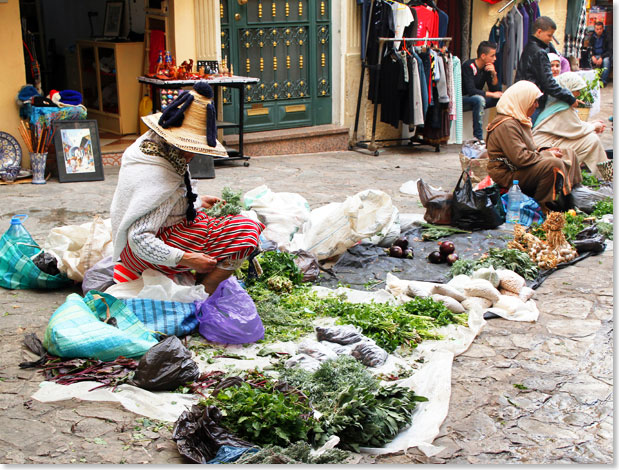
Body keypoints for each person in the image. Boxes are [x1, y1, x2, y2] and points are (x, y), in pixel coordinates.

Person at [110, 81, 265, 294]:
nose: (193, 155)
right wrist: (187, 259)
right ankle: (203, 295)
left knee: (237, 220)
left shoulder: (152, 146)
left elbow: (166, 201)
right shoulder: (159, 175)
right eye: (191, 148)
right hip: (144, 251)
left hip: (161, 234)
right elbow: (139, 239)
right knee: (246, 232)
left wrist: (198, 201)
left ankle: (199, 281)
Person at [486, 81, 582, 213]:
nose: (536, 106)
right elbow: (520, 158)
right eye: (534, 102)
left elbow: (530, 149)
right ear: (523, 101)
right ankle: (542, 206)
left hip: (520, 167)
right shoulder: (507, 125)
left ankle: (572, 198)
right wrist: (548, 155)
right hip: (508, 174)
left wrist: (545, 151)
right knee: (553, 164)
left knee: (568, 153)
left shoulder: (519, 119)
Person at [533, 72, 608, 178]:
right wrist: (594, 126)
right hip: (543, 146)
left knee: (590, 138)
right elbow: (576, 130)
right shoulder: (563, 106)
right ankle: (605, 176)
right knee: (592, 140)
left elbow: (571, 125)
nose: (578, 94)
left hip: (547, 142)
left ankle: (602, 175)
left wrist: (590, 125)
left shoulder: (556, 102)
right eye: (577, 90)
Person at [515, 16, 583, 121]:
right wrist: (570, 98)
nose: (551, 39)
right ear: (539, 32)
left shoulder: (530, 46)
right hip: (533, 101)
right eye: (549, 35)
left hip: (523, 98)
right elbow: (548, 83)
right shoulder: (539, 52)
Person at [462, 41, 503, 142]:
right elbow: (471, 90)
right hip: (463, 99)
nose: (495, 59)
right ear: (483, 56)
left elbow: (495, 89)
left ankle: (497, 133)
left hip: (476, 98)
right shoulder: (469, 66)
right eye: (492, 56)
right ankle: (478, 137)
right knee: (479, 99)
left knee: (500, 99)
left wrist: (494, 74)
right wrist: (492, 94)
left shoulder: (486, 68)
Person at [586, 21, 612, 86]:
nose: (599, 31)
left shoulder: (607, 36)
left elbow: (609, 50)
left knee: (606, 61)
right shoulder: (592, 37)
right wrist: (592, 56)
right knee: (588, 60)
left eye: (600, 29)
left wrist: (601, 57)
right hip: (595, 55)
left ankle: (603, 81)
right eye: (597, 29)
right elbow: (590, 48)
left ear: (603, 28)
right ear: (595, 29)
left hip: (604, 55)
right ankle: (591, 81)